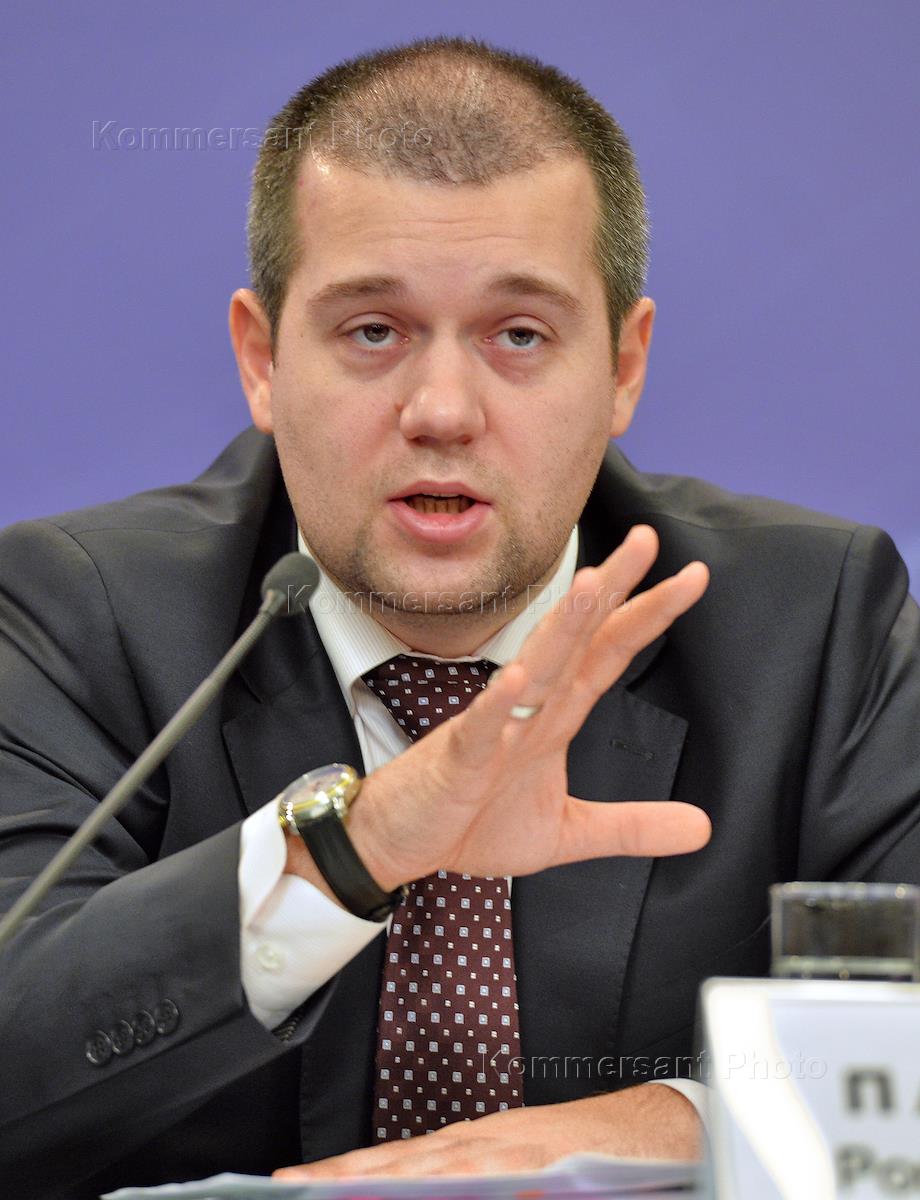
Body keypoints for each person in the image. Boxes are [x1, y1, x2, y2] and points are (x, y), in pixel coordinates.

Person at [1, 33, 919, 1199]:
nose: (440, 410)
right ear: (262, 359)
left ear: (622, 366)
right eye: (372, 331)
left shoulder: (814, 626)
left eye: (518, 335)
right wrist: (359, 848)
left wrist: (693, 1119)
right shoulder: (75, 613)